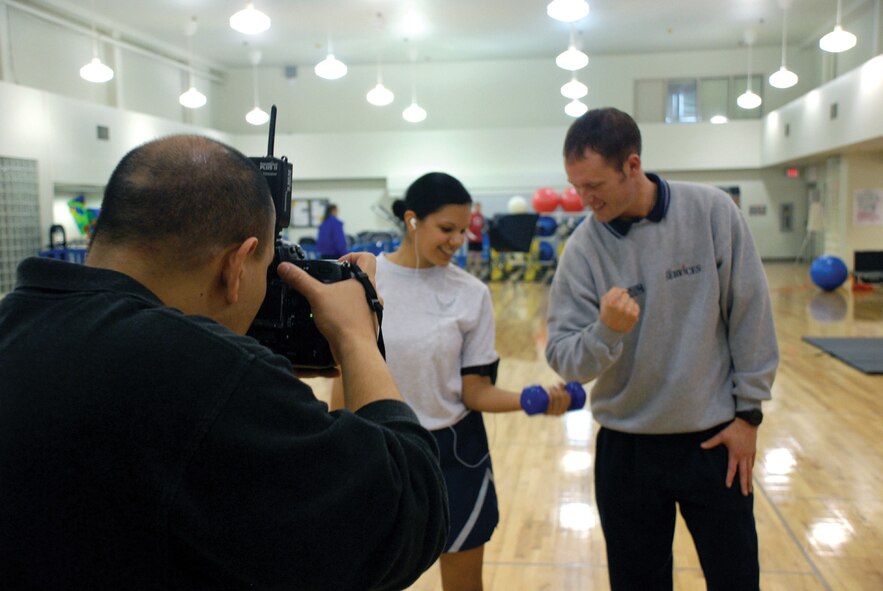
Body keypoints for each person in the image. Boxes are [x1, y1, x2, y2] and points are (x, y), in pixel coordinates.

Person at [0, 135, 448, 590]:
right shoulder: (204, 377)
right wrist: (356, 339)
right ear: (236, 266)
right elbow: (407, 513)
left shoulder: (17, 323)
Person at [544, 108, 779, 590]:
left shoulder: (712, 211)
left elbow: (750, 312)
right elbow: (565, 357)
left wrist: (749, 415)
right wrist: (606, 332)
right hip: (626, 448)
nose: (585, 200)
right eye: (576, 187)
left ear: (633, 166)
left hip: (714, 440)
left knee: (736, 578)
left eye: (594, 186)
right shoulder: (584, 250)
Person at [333, 172, 571, 591]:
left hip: (457, 456)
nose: (458, 240)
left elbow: (473, 391)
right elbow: (344, 378)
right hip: (383, 449)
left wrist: (534, 398)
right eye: (446, 229)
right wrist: (335, 452)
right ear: (411, 220)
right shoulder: (364, 281)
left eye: (463, 230)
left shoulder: (472, 293)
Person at [465, 201, 486, 277]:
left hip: (479, 239)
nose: (478, 208)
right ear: (474, 207)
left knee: (478, 255)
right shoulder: (471, 216)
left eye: (479, 207)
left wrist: (482, 231)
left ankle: (478, 270)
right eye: (476, 206)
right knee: (470, 254)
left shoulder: (481, 216)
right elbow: (467, 227)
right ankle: (468, 269)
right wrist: (470, 235)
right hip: (472, 239)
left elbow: (483, 227)